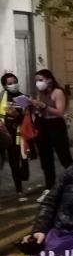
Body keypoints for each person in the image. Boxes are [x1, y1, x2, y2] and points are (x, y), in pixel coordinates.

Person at [29, 69, 73, 201]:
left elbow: (59, 111)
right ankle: (49, 187)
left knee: (64, 156)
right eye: (36, 80)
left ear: (49, 79)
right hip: (42, 125)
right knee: (45, 158)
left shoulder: (58, 92)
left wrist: (43, 106)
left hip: (56, 125)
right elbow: (40, 110)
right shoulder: (41, 93)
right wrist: (33, 106)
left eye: (41, 80)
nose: (38, 83)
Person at [1, 73, 30, 201]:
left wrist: (16, 115)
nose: (13, 85)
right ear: (5, 85)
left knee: (14, 163)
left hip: (16, 135)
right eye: (10, 83)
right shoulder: (2, 96)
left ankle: (19, 190)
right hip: (1, 134)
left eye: (15, 82)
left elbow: (27, 117)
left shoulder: (22, 97)